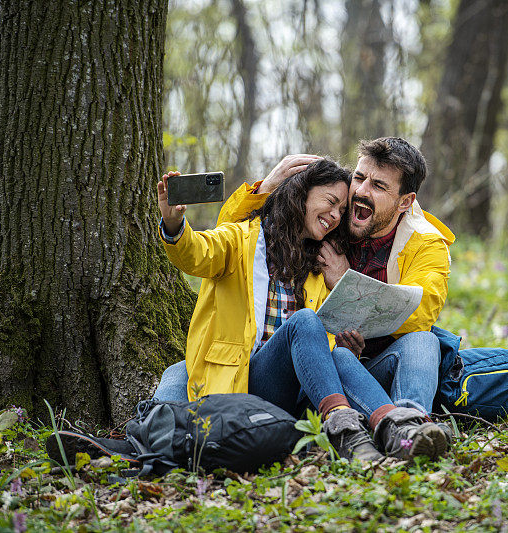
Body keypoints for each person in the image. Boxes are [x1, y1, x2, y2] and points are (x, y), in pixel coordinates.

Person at [153, 159, 449, 462]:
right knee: (305, 321)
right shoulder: (240, 240)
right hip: (247, 384)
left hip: (296, 394)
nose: (335, 216)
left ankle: (399, 430)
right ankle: (345, 430)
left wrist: (349, 344)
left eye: (342, 211)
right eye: (331, 203)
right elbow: (195, 253)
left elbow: (322, 348)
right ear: (300, 193)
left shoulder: (322, 262)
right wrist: (174, 224)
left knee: (341, 354)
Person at [212, 138, 455, 429]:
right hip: (321, 369)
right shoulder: (331, 218)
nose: (361, 192)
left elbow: (420, 312)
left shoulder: (426, 243)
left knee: (424, 341)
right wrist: (264, 189)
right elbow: (236, 237)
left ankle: (410, 427)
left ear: (405, 202)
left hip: (377, 368)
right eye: (360, 178)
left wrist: (345, 283)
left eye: (378, 186)